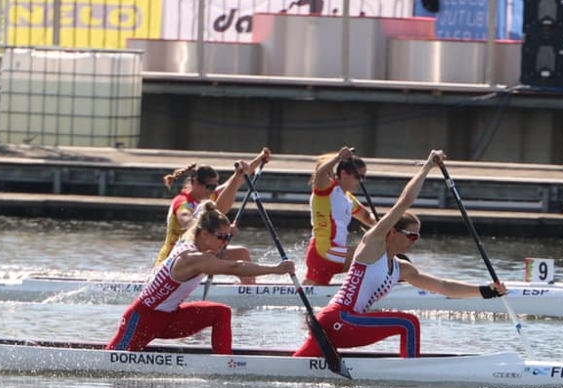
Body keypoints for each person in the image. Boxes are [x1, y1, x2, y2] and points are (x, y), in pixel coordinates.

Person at [293, 149, 506, 359]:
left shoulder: (402, 268)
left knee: (294, 365)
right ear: (392, 232)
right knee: (408, 323)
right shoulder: (372, 246)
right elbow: (404, 201)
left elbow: (443, 286)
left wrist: (486, 291)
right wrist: (427, 167)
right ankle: (413, 376)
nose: (414, 242)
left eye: (417, 237)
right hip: (339, 319)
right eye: (411, 236)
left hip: (336, 324)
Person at [107, 198, 295, 353]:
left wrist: (238, 178)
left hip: (169, 318)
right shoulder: (193, 257)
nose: (225, 242)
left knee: (221, 312)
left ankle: (223, 364)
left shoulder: (198, 243)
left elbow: (210, 217)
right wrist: (276, 269)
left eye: (227, 237)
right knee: (111, 361)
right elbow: (235, 268)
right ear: (204, 234)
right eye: (221, 237)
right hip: (142, 319)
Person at [155, 147, 270, 283]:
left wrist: (259, 159)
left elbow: (237, 181)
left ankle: (249, 295)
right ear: (195, 183)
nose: (212, 191)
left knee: (242, 253)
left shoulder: (210, 195)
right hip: (175, 262)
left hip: (199, 254)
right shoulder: (183, 203)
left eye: (214, 187)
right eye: (209, 187)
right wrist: (220, 232)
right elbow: (187, 220)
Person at [303, 146, 377, 285]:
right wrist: (338, 157)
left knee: (310, 292)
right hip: (325, 252)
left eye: (364, 177)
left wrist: (385, 225)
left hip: (327, 255)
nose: (361, 181)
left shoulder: (348, 198)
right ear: (343, 173)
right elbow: (320, 174)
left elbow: (367, 218)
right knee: (373, 257)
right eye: (358, 176)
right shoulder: (326, 189)